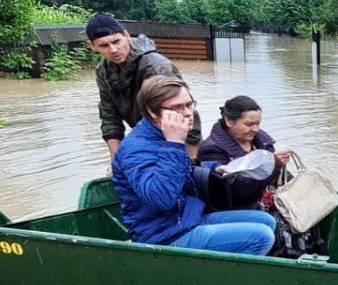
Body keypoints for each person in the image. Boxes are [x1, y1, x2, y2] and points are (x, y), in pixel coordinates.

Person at [111, 75, 275, 255]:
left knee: (266, 221)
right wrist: (174, 144)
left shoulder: (164, 135)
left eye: (189, 104)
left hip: (186, 218)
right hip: (162, 235)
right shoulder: (137, 148)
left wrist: (212, 169)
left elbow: (180, 172)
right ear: (152, 111)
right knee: (261, 236)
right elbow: (161, 199)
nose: (188, 112)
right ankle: (222, 282)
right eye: (177, 107)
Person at [87, 14, 202, 160]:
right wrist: (115, 159)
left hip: (177, 139)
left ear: (126, 35)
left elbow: (187, 113)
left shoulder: (155, 67)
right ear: (92, 46)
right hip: (145, 137)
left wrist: (191, 159)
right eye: (104, 45)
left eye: (117, 41)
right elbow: (109, 117)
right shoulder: (103, 72)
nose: (114, 49)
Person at [198, 96, 292, 210]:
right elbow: (242, 191)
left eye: (258, 124)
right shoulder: (211, 150)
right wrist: (274, 166)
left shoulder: (261, 140)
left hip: (272, 199)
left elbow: (282, 175)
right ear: (229, 121)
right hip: (240, 208)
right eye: (249, 124)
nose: (255, 129)